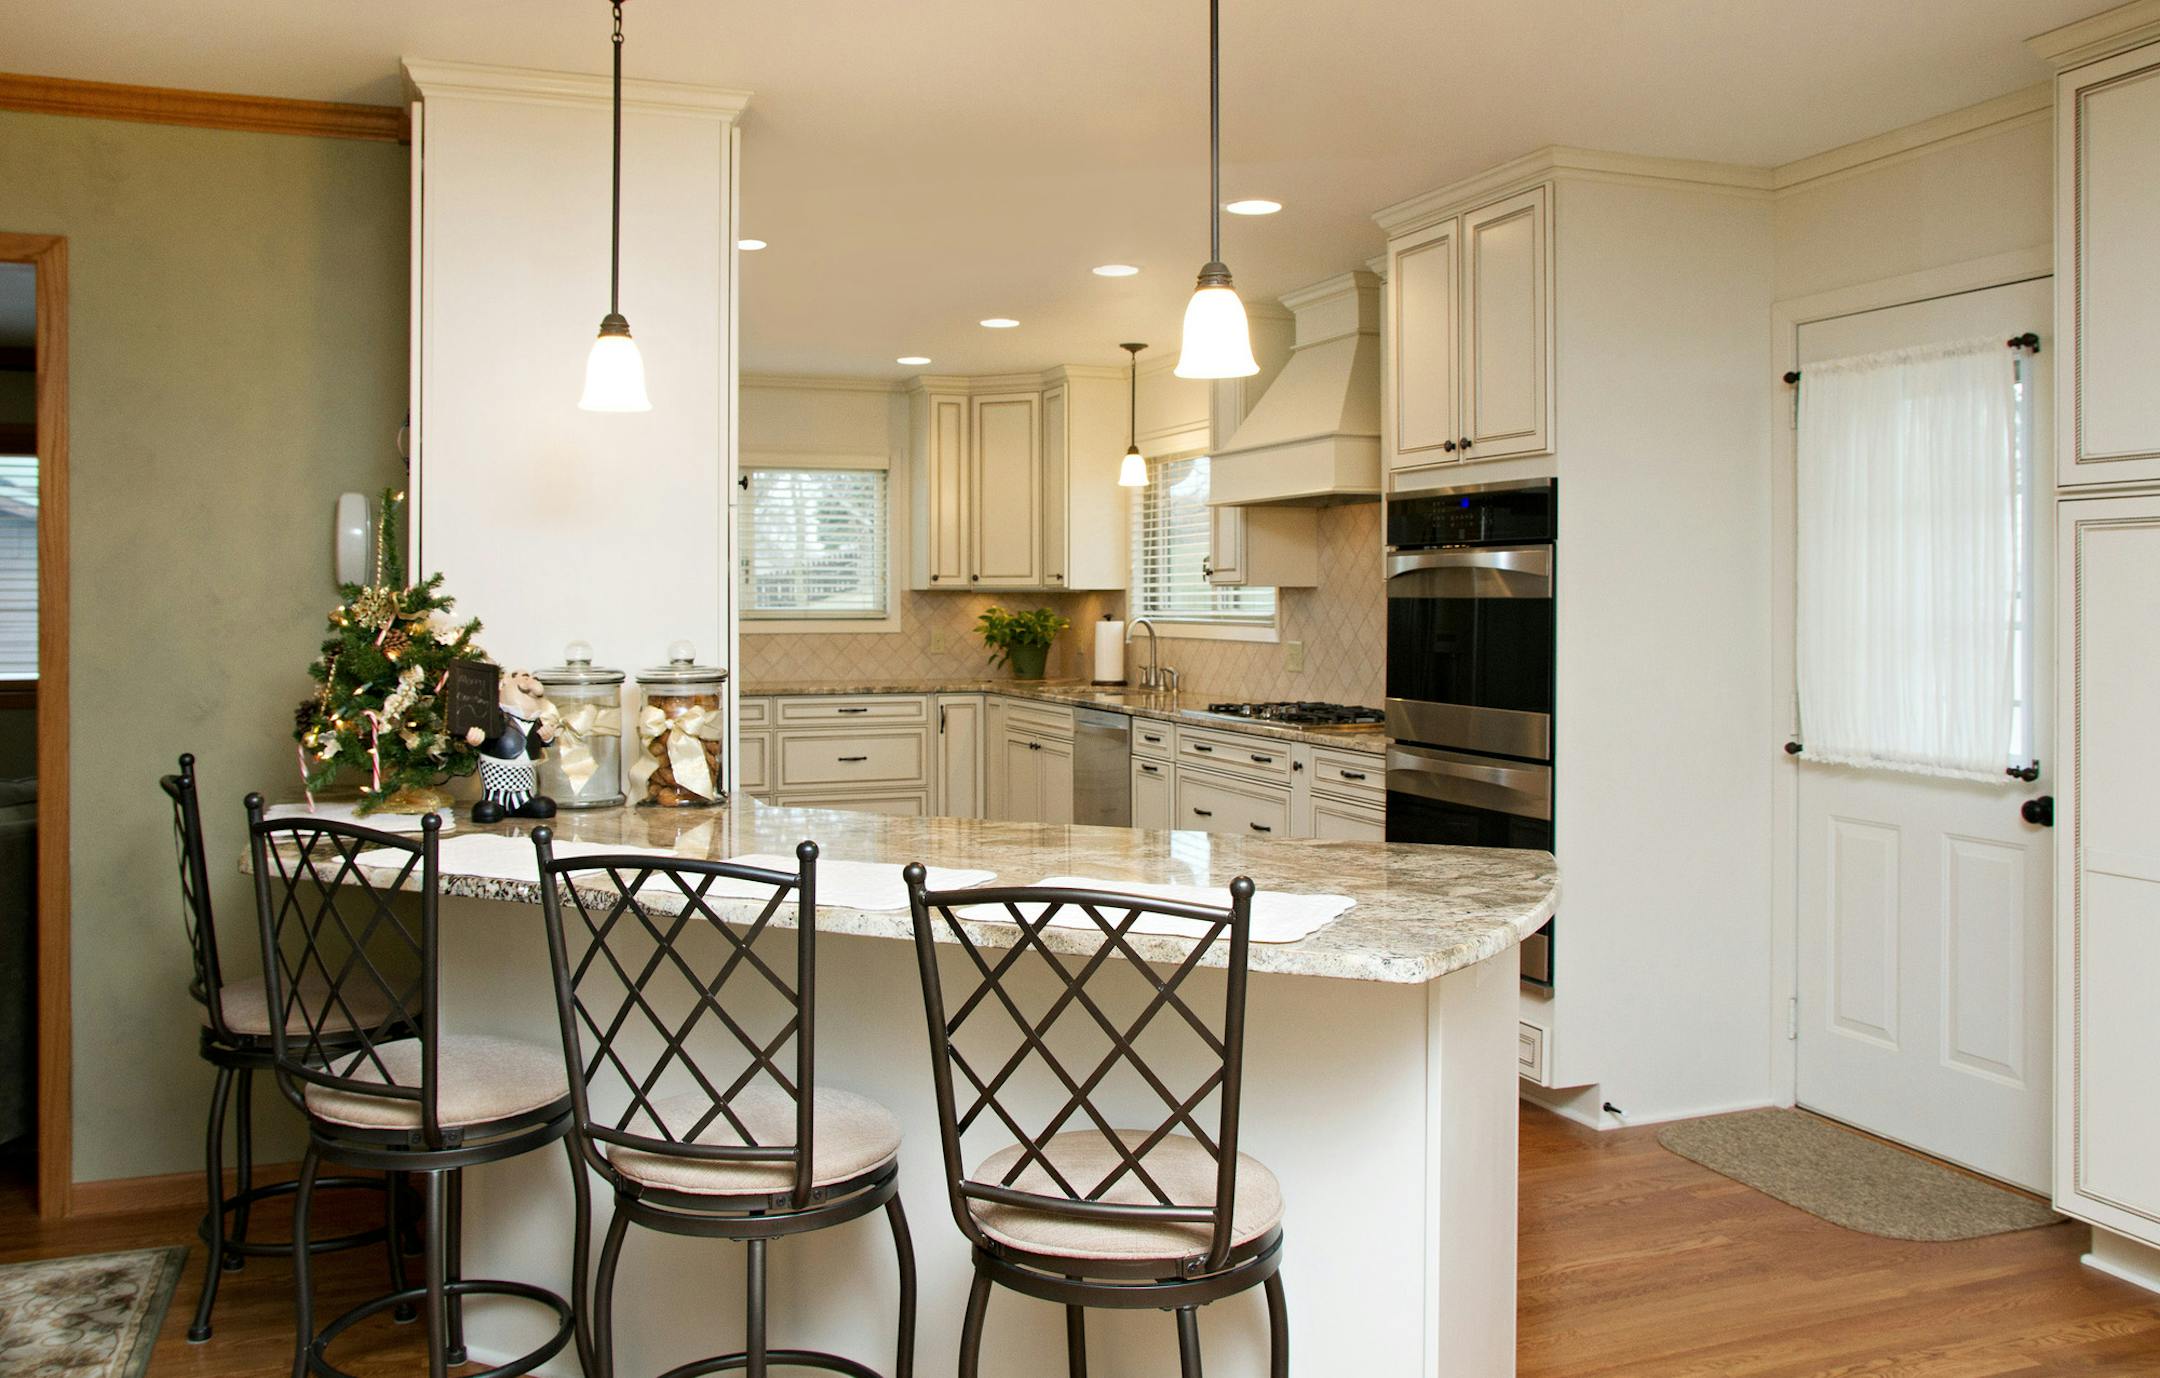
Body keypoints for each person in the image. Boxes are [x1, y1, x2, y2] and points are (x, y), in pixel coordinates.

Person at [465, 668, 558, 823]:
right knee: (489, 807)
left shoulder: (537, 720)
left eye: (532, 677)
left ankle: (522, 802)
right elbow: (480, 738)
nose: (530, 679)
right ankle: (496, 802)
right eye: (524, 676)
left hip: (525, 774)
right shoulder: (495, 717)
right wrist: (475, 740)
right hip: (497, 770)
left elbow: (542, 742)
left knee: (543, 806)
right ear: (504, 683)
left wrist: (548, 738)